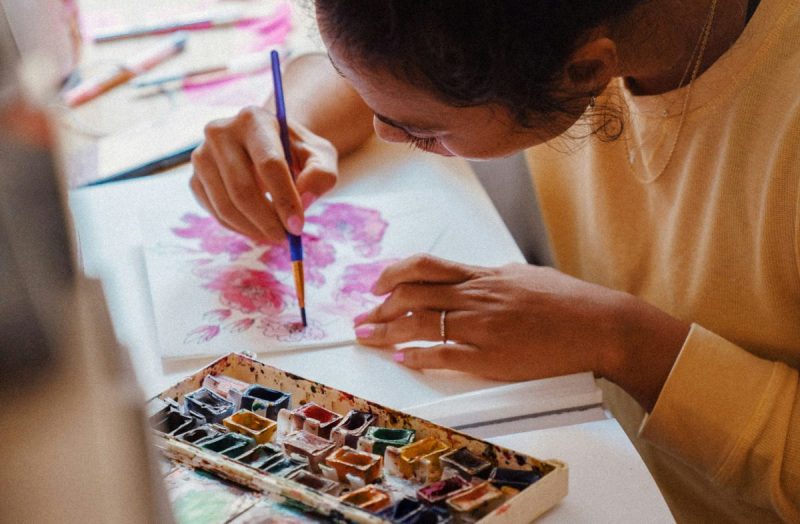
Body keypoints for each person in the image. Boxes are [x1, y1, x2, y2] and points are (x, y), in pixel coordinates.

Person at [189, 1, 799, 521]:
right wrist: (291, 120)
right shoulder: (541, 26)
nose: (381, 130)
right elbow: (388, 59)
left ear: (585, 69)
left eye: (422, 131)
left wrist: (625, 341)